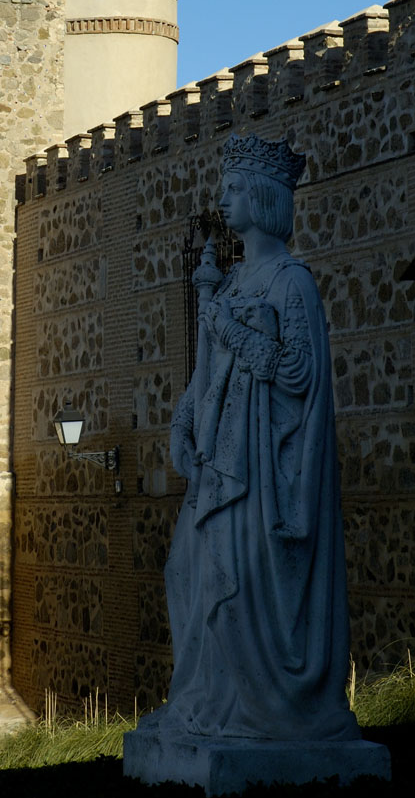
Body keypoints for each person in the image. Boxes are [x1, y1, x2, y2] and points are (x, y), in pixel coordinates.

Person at [143, 133, 359, 741]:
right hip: (220, 458)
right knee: (185, 571)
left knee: (233, 584)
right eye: (225, 186)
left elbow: (295, 371)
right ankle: (203, 696)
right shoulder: (234, 283)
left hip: (263, 466)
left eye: (235, 187)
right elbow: (205, 371)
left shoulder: (293, 284)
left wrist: (226, 327)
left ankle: (244, 709)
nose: (224, 196)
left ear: (263, 197)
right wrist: (181, 422)